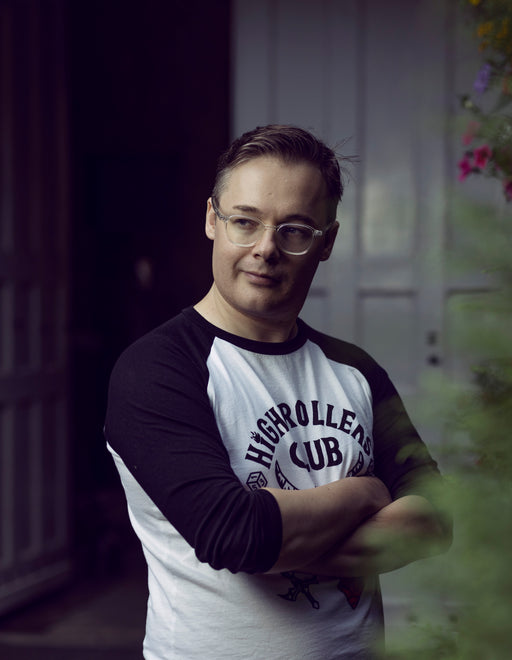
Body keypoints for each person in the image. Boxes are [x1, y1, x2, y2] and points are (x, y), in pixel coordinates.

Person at [105, 125, 452, 659]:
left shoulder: (355, 370)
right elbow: (235, 536)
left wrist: (282, 546)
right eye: (245, 221)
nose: (265, 249)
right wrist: (364, 493)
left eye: (295, 230)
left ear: (327, 242)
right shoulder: (157, 369)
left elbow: (435, 518)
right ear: (211, 219)